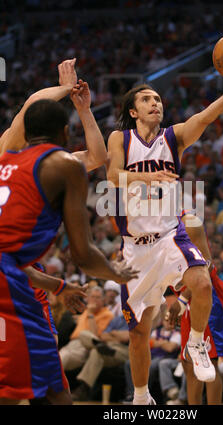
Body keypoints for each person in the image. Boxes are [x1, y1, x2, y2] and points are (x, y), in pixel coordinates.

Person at [107, 62, 223, 405]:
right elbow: (113, 176)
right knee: (139, 334)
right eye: (147, 99)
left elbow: (205, 117)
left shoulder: (173, 137)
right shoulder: (121, 138)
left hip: (168, 235)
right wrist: (146, 178)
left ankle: (195, 343)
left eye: (158, 99)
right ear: (133, 111)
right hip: (135, 250)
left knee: (203, 282)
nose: (155, 103)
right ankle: (143, 396)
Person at [0, 93, 138, 404]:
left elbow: (7, 259)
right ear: (65, 132)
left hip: (16, 275)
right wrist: (115, 273)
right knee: (10, 389)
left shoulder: (5, 157)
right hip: (9, 285)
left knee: (53, 385)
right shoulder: (61, 165)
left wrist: (59, 285)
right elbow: (83, 254)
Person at [167, 213, 223, 405]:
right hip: (185, 293)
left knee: (209, 360)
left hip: (209, 293)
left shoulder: (189, 221)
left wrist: (183, 298)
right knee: (188, 363)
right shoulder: (157, 227)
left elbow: (206, 265)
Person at [71, 313, 130, 402]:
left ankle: (84, 388)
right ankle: (98, 344)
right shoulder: (117, 319)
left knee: (97, 351)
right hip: (108, 346)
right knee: (84, 334)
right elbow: (103, 336)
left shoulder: (139, 319)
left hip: (125, 350)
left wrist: (113, 333)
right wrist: (117, 336)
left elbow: (127, 337)